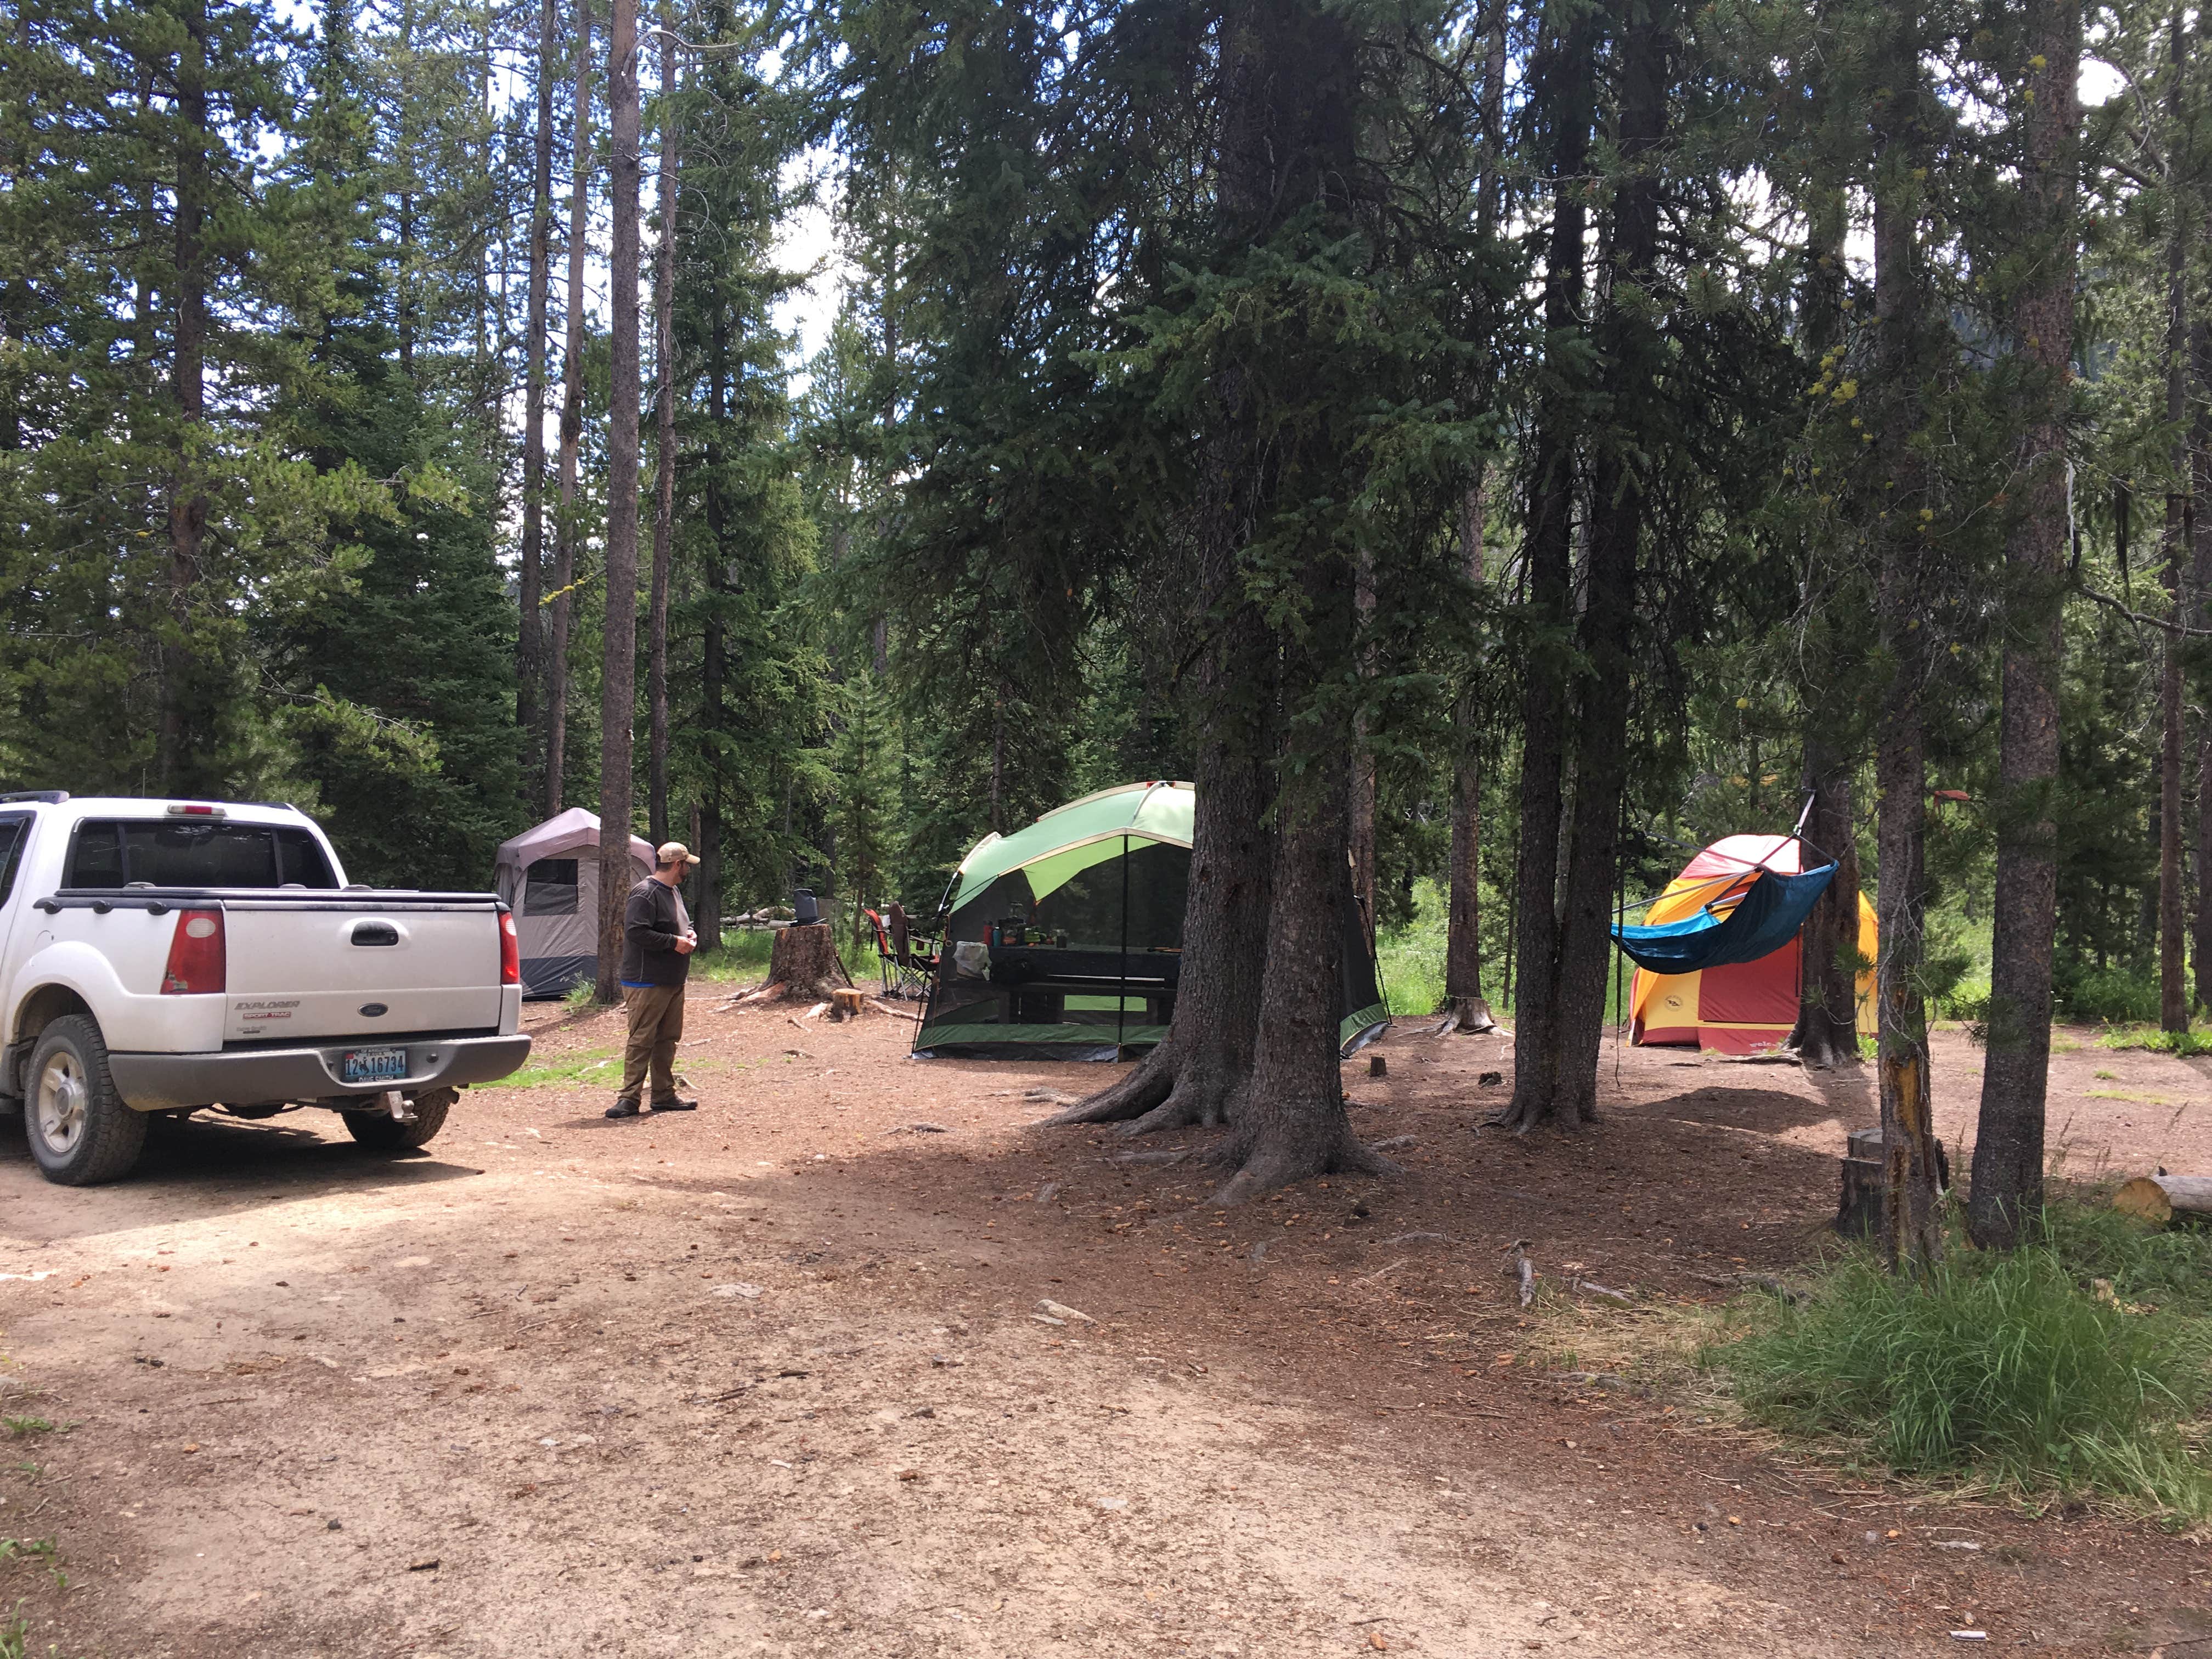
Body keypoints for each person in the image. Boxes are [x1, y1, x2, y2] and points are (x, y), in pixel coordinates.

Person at [606, 842, 702, 1119]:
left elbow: (682, 923)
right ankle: (628, 1099)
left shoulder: (673, 892)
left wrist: (690, 934)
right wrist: (673, 942)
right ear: (677, 865)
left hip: (673, 980)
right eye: (687, 865)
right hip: (646, 981)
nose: (688, 871)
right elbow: (636, 932)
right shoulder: (645, 894)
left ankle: (664, 1095)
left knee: (667, 1039)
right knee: (642, 1040)